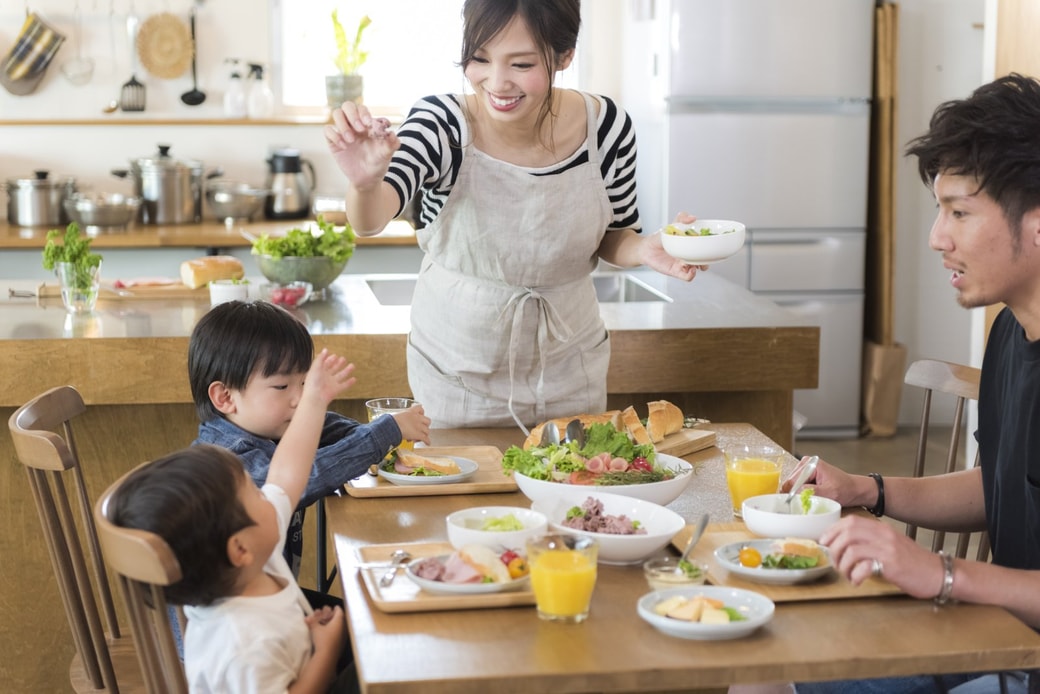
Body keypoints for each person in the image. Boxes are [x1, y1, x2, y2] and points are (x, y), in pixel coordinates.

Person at [741, 73, 1040, 694]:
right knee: (757, 674)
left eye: (960, 212)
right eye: (940, 211)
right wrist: (865, 489)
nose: (938, 238)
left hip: (1019, 658)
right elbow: (1001, 486)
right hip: (990, 634)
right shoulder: (1012, 333)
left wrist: (942, 573)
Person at [324, 0, 702, 433]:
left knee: (574, 493)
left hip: (569, 372)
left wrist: (646, 248)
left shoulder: (607, 128)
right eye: (480, 58)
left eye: (521, 64)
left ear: (564, 56)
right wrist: (365, 183)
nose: (497, 82)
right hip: (457, 377)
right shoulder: (440, 124)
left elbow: (615, 235)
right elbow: (370, 219)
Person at [108, 348, 359, 692]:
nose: (268, 493)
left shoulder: (252, 561)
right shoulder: (243, 643)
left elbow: (287, 472)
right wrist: (325, 652)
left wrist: (315, 399)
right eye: (255, 495)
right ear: (239, 548)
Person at [188, 300, 431, 578]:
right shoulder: (227, 462)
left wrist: (378, 443)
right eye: (282, 386)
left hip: (271, 601)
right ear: (226, 397)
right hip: (238, 616)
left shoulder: (268, 428)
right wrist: (386, 432)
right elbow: (304, 477)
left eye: (305, 383)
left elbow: (324, 426)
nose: (301, 398)